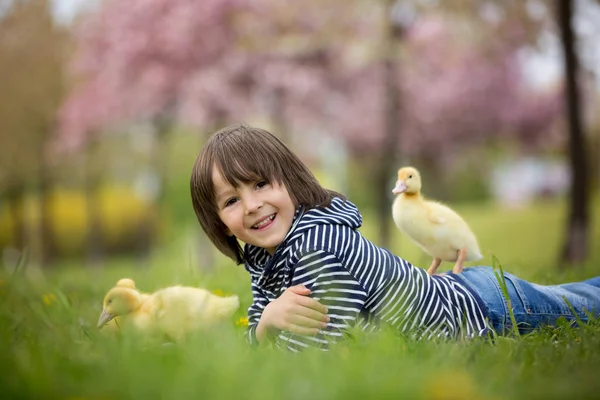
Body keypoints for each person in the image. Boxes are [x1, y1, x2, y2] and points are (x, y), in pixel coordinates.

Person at [190, 123, 600, 352]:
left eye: (261, 184)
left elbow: (321, 351)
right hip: (454, 289)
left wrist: (270, 332)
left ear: (292, 183)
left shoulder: (318, 248)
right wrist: (264, 327)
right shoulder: (267, 260)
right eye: (231, 201)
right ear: (221, 223)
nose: (251, 205)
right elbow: (262, 332)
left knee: (582, 305)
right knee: (577, 294)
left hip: (483, 307)